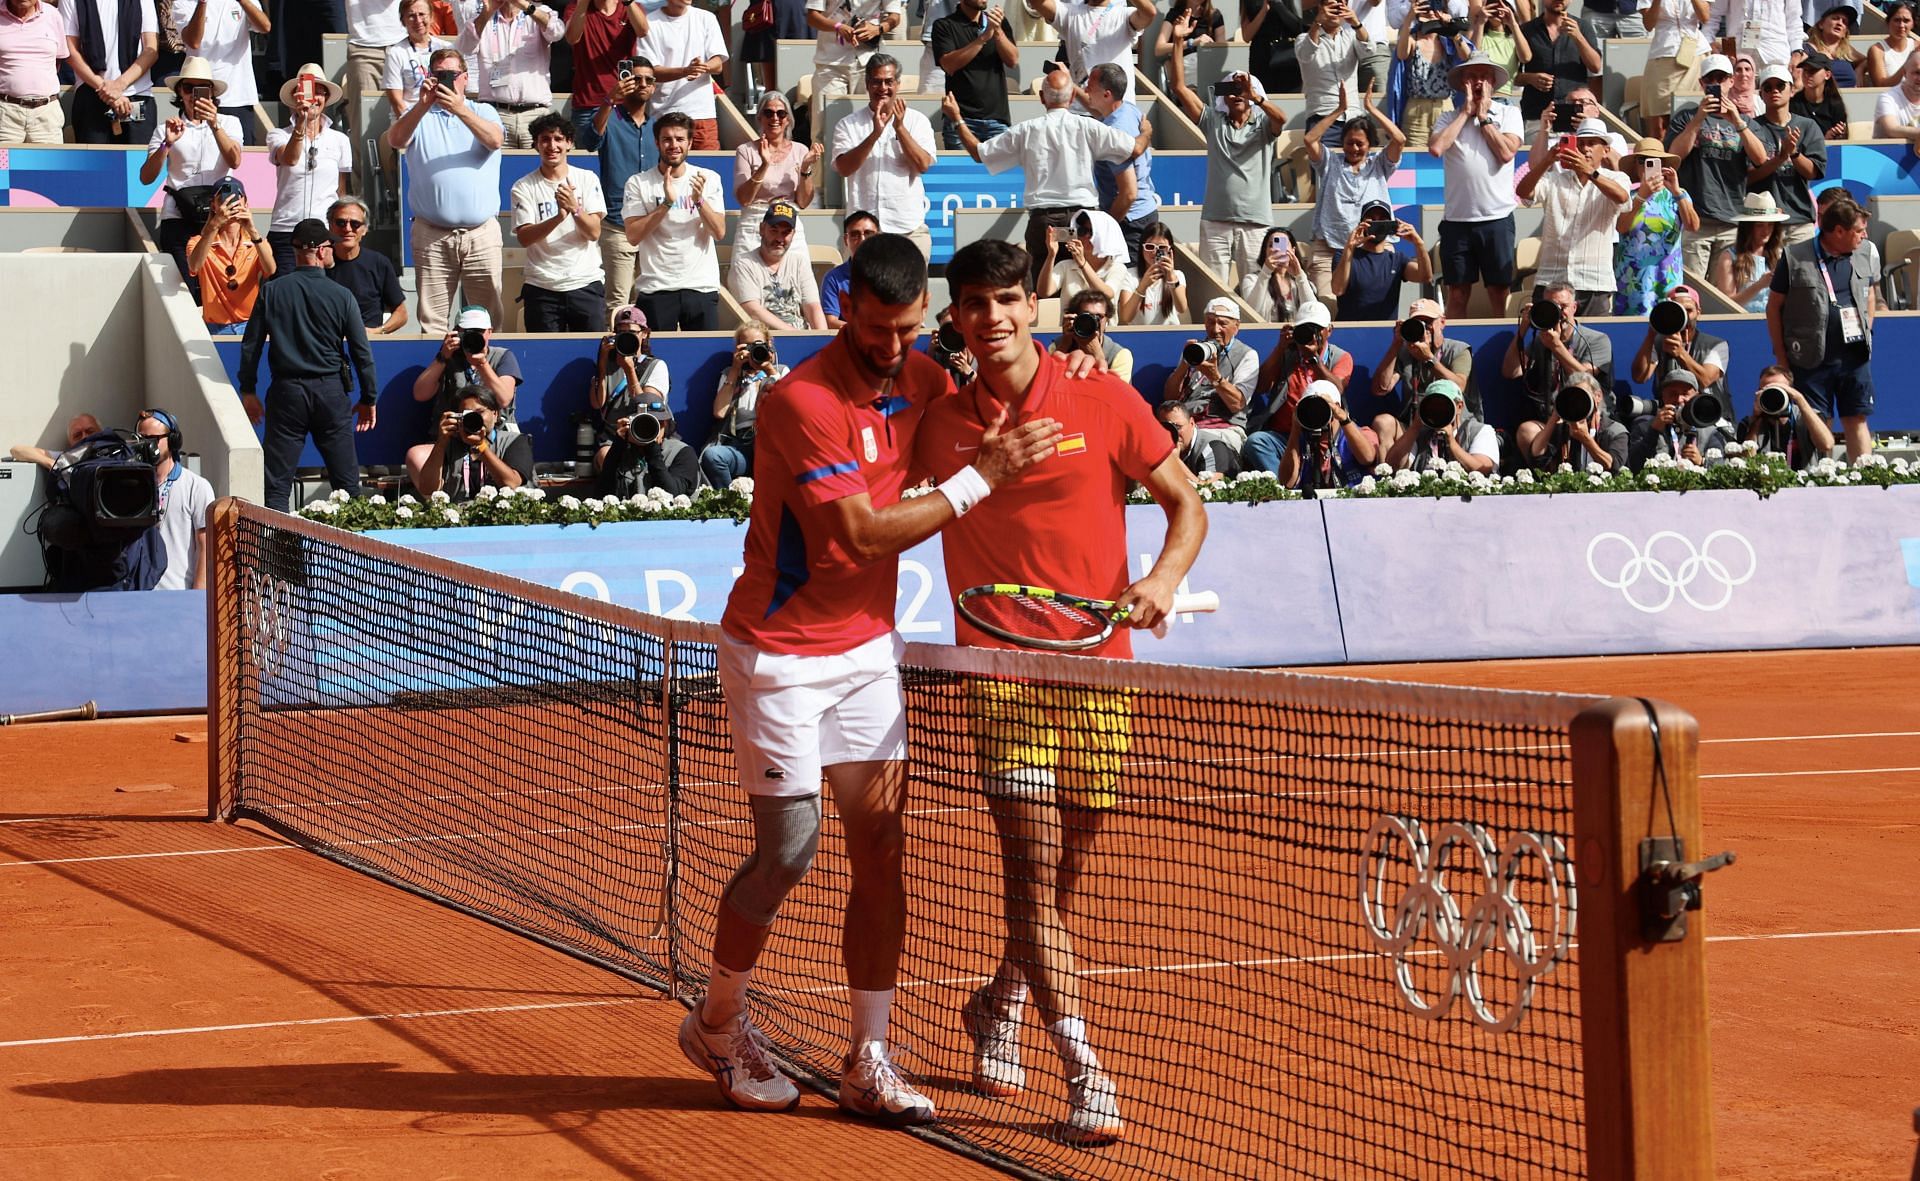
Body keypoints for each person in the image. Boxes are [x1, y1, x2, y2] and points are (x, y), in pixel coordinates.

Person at [684, 232, 1062, 1127]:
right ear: (844, 301)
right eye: (879, 326)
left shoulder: (927, 380)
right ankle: (717, 1021)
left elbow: (999, 396)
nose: (895, 345)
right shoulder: (800, 400)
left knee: (882, 849)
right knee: (789, 852)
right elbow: (856, 534)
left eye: (910, 329)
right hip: (777, 654)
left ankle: (869, 1057)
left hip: (864, 653)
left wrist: (1065, 365)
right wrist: (980, 480)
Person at [917, 236, 1205, 1149]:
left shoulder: (1104, 395)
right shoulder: (937, 419)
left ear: (1031, 305)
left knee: (1067, 871)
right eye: (974, 304)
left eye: (1007, 300)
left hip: (1099, 668)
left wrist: (1160, 579)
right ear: (955, 317)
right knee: (1034, 876)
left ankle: (996, 998)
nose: (993, 318)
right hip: (1003, 678)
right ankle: (1084, 1066)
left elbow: (1187, 503)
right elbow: (878, 496)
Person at [946, 65, 1138, 289]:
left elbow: (979, 154)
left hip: (1044, 221)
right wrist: (1146, 132)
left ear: (1041, 97)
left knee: (1044, 288)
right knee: (1083, 287)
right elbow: (1133, 147)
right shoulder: (1088, 126)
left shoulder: (1026, 130)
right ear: (1073, 96)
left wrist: (957, 119)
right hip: (1083, 221)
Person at [238, 219, 378, 514]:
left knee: (277, 485)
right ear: (320, 250)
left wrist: (248, 390)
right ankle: (352, 555)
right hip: (330, 391)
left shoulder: (272, 291)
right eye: (329, 246)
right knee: (347, 486)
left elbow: (251, 345)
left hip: (287, 393)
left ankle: (274, 554)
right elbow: (361, 353)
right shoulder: (342, 295)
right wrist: (368, 398)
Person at [387, 48, 506, 336]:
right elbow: (395, 139)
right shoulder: (417, 115)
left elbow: (495, 140)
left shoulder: (483, 110)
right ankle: (440, 378)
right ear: (429, 77)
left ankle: (488, 377)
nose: (446, 80)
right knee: (433, 323)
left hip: (481, 234)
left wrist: (459, 109)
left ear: (465, 78)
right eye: (439, 74)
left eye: (451, 74)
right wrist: (422, 105)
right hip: (432, 234)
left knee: (487, 321)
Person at [1768, 193, 1877, 459]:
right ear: (1839, 230)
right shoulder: (1795, 256)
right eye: (1859, 231)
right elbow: (1774, 307)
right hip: (1810, 358)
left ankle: (1865, 482)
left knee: (1857, 418)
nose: (1864, 236)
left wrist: (1868, 329)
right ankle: (1821, 484)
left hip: (1855, 356)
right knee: (1817, 423)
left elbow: (1871, 292)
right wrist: (1782, 357)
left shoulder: (1865, 252)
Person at [1165, 61, 1289, 286]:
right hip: (1215, 221)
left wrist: (1256, 98)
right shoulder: (1214, 121)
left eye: (1241, 89)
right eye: (1230, 90)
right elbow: (1179, 87)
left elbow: (1281, 119)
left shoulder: (1263, 124)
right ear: (1223, 97)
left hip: (1256, 221)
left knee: (1256, 288)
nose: (1236, 94)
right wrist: (1180, 41)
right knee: (1214, 289)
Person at [1429, 52, 1524, 320]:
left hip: (1497, 218)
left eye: (1484, 76)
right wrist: (1466, 113)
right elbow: (1436, 148)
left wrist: (1484, 118)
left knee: (1498, 292)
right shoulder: (1448, 119)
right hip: (1456, 221)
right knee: (1457, 294)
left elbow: (1506, 153)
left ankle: (1500, 347)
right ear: (1462, 83)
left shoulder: (1509, 114)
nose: (1478, 82)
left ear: (1493, 82)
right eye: (1472, 76)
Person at [141, 57, 242, 304]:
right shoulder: (165, 129)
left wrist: (214, 124)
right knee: (185, 290)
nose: (194, 96)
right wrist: (167, 143)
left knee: (219, 289)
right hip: (179, 218)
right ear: (179, 92)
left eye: (202, 89)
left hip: (220, 217)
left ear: (212, 93)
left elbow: (235, 161)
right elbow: (146, 177)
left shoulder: (229, 123)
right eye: (188, 88)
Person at [1516, 117, 1632, 316]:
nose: (1585, 149)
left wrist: (1589, 171)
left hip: (1593, 281)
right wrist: (1547, 161)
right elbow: (1523, 191)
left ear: (1605, 150)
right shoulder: (1554, 179)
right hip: (1552, 281)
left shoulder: (1617, 178)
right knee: (1546, 340)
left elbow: (1621, 197)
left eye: (1592, 143)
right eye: (1580, 144)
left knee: (1592, 342)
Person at [623, 112, 725, 330]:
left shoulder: (708, 178)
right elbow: (633, 236)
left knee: (701, 361)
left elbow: (719, 232)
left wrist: (699, 202)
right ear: (657, 143)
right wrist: (666, 204)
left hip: (700, 286)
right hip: (656, 288)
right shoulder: (638, 183)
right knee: (656, 360)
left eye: (679, 139)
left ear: (689, 143)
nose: (673, 145)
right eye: (667, 139)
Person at [1667, 53, 1765, 280]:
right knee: (1695, 288)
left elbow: (1760, 158)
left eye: (1721, 78)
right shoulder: (1686, 117)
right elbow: (1673, 156)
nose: (1716, 84)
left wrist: (1737, 121)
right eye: (1711, 80)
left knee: (1726, 292)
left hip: (1732, 219)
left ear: (1731, 81)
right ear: (1702, 83)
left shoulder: (1746, 122)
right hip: (1696, 220)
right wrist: (1698, 119)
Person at [1301, 83, 1404, 296]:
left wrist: (1372, 109)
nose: (1354, 148)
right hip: (1330, 248)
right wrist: (1339, 110)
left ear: (1370, 144)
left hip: (1374, 249)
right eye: (1349, 143)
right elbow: (1309, 139)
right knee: (1327, 308)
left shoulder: (1379, 164)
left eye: (1360, 143)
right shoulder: (1330, 162)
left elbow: (1400, 139)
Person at [510, 112, 609, 332]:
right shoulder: (523, 186)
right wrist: (558, 217)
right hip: (542, 287)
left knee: (592, 356)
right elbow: (525, 238)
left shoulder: (587, 178)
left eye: (558, 139)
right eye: (545, 139)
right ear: (536, 145)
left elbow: (594, 232)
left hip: (585, 283)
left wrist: (575, 209)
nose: (552, 146)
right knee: (543, 358)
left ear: (569, 143)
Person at [831, 55, 937, 257]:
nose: (883, 88)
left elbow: (923, 165)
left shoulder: (917, 121)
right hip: (864, 233)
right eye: (877, 82)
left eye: (888, 82)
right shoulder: (847, 124)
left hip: (908, 228)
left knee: (911, 290)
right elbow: (844, 168)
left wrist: (900, 128)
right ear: (867, 84)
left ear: (898, 84)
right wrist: (874, 135)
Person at [407, 305, 522, 487]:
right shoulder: (449, 357)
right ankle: (441, 510)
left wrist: (482, 364)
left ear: (489, 332)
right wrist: (443, 357)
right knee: (415, 455)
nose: (473, 336)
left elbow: (504, 399)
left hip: (494, 438)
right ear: (456, 332)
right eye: (467, 331)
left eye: (479, 331)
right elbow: (420, 394)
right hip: (453, 440)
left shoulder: (503, 357)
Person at [1503, 280, 1613, 454]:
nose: (1559, 312)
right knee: (1526, 431)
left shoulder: (1597, 340)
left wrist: (1557, 347)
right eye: (1552, 306)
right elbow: (1510, 372)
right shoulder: (1541, 340)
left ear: (1574, 308)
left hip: (1588, 417)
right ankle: (1545, 477)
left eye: (1563, 306)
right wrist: (1523, 329)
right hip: (1550, 418)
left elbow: (1585, 378)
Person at [1241, 300, 1351, 469]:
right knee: (1256, 442)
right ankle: (1284, 488)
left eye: (1316, 328)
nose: (1311, 335)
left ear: (1329, 330)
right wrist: (1280, 348)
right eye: (1304, 329)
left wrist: (1315, 361)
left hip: (1324, 436)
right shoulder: (1287, 354)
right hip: (1285, 435)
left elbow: (1338, 388)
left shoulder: (1341, 357)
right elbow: (1261, 386)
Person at [266, 65, 353, 278]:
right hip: (287, 229)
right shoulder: (278, 135)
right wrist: (301, 125)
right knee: (287, 296)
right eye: (308, 90)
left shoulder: (340, 140)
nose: (313, 98)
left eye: (319, 91)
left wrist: (341, 231)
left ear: (326, 98)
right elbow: (289, 158)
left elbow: (341, 190)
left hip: (323, 231)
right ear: (297, 96)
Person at [595, 55, 657, 323]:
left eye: (648, 80)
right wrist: (610, 100)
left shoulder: (659, 127)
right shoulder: (611, 119)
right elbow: (589, 138)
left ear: (654, 87)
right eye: (636, 78)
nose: (642, 84)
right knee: (617, 306)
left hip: (653, 228)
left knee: (653, 299)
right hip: (617, 225)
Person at [1369, 297, 1473, 451]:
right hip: (1413, 426)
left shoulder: (1458, 350)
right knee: (1383, 422)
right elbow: (1381, 388)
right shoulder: (1405, 352)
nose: (1424, 329)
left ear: (1442, 322)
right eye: (1419, 323)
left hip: (1451, 425)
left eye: (1428, 322)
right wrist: (1396, 345)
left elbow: (1459, 386)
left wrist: (1429, 359)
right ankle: (1387, 474)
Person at [455, 0, 563, 148]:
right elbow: (465, 47)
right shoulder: (482, 16)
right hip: (495, 113)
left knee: (536, 168)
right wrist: (486, 14)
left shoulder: (539, 11)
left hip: (535, 113)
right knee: (498, 168)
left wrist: (525, 6)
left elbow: (557, 32)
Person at [1084, 63, 1160, 271]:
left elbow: (1128, 194)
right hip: (1143, 214)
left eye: (1089, 86)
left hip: (1129, 222)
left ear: (1107, 95)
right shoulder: (1128, 110)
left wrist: (1106, 228)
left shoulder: (1114, 133)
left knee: (1129, 287)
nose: (1085, 90)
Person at [129, 408, 213, 591]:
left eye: (153, 439)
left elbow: (206, 547)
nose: (147, 446)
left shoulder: (196, 487)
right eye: (141, 439)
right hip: (138, 598)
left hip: (178, 598)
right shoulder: (130, 487)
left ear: (173, 441)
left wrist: (197, 598)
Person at [1745, 62, 1826, 249]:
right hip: (1763, 222)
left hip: (1799, 218)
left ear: (1791, 90)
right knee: (1767, 277)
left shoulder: (1808, 126)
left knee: (1803, 277)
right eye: (1768, 87)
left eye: (1780, 85)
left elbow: (1813, 172)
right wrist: (1780, 157)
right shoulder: (1751, 127)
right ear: (1761, 94)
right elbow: (1747, 177)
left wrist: (1794, 153)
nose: (1774, 90)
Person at [1163, 297, 1260, 450]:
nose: (1215, 330)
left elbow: (1237, 404)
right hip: (1187, 424)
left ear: (1236, 326)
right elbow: (1169, 397)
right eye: (1210, 322)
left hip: (1224, 427)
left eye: (1223, 323)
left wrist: (1214, 376)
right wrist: (1184, 365)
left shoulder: (1247, 355)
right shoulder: (1196, 350)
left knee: (1203, 442)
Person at [1613, 138, 1696, 314]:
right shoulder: (1627, 196)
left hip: (1667, 280)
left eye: (1655, 161)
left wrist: (1676, 191)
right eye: (1642, 160)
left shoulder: (1678, 196)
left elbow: (1692, 226)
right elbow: (1621, 227)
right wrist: (1641, 196)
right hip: (1632, 283)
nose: (1647, 166)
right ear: (1635, 165)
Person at [733, 90, 821, 256]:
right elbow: (744, 199)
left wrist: (805, 169)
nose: (775, 118)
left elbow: (803, 202)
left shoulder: (801, 150)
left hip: (788, 222)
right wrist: (764, 165)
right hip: (754, 221)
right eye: (769, 113)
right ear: (760, 117)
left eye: (781, 114)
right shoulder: (745, 151)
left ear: (788, 119)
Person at [702, 323, 787, 487]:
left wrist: (769, 369)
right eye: (747, 346)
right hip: (739, 444)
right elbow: (719, 412)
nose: (752, 351)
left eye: (758, 345)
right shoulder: (730, 373)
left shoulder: (780, 371)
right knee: (712, 456)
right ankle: (731, 502)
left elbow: (789, 404)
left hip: (768, 444)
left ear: (769, 345)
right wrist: (735, 370)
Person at [1252, 377, 1377, 487]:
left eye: (1322, 407)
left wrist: (1343, 418)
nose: (1316, 413)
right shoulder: (1301, 441)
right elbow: (1286, 482)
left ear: (1337, 406)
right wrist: (1295, 429)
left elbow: (1367, 458)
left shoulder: (1360, 433)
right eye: (1311, 409)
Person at [415, 386, 535, 500]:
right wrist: (441, 442)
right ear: (459, 417)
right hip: (459, 516)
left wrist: (481, 447)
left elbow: (512, 483)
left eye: (480, 412)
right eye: (468, 415)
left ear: (495, 414)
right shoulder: (449, 445)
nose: (474, 418)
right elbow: (427, 489)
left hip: (505, 516)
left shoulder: (516, 441)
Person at [65, 0, 159, 145]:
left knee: (139, 164)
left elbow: (151, 50)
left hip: (137, 96)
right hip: (91, 94)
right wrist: (105, 88)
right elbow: (70, 51)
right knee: (94, 164)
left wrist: (119, 85)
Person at [591, 304, 670, 474]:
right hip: (614, 438)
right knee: (605, 456)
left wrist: (629, 370)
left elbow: (647, 410)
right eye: (622, 332)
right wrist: (603, 364)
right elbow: (598, 403)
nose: (627, 336)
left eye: (632, 332)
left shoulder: (656, 366)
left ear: (644, 334)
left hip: (645, 437)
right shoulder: (609, 366)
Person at [175, 0, 269, 143]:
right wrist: (202, 3)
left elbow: (265, 27)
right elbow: (194, 41)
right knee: (199, 155)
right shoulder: (183, 3)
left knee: (239, 158)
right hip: (199, 97)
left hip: (237, 96)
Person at [637, 0, 726, 149]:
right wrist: (686, 71)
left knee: (707, 169)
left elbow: (718, 64)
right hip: (665, 115)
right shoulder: (649, 23)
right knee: (667, 171)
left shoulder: (707, 18)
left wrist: (702, 67)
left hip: (702, 115)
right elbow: (651, 72)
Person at [186, 182, 273, 333]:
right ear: (213, 205)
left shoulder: (257, 243)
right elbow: (194, 266)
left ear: (245, 202)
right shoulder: (197, 242)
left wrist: (252, 230)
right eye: (223, 200)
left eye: (236, 200)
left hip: (249, 326)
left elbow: (271, 270)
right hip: (215, 327)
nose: (230, 205)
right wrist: (214, 225)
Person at [728, 199, 827, 330]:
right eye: (774, 230)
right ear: (762, 229)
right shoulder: (744, 264)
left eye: (786, 232)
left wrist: (822, 339)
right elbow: (753, 311)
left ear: (793, 234)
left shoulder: (799, 262)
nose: (779, 239)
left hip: (801, 335)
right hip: (764, 340)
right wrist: (795, 336)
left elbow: (813, 306)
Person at [1034, 0, 1155, 107]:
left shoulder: (1125, 14)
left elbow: (1149, 13)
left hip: (1118, 110)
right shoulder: (1069, 13)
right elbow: (1038, 3)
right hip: (1081, 109)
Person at [562, 0, 648, 150]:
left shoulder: (628, 6)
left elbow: (643, 31)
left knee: (623, 159)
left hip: (623, 106)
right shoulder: (576, 6)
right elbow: (572, 38)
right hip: (587, 105)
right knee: (588, 162)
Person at [932, 0, 1016, 149]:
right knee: (962, 172)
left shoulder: (997, 23)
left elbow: (1012, 60)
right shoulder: (944, 25)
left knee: (1000, 172)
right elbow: (949, 65)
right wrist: (983, 38)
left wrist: (997, 31)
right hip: (961, 121)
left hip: (997, 120)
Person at [1329, 199, 1430, 321]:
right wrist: (1349, 248)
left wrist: (1418, 243)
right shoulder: (1344, 255)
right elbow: (1338, 289)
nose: (1377, 223)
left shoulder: (1397, 259)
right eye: (1371, 219)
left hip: (1385, 331)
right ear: (1362, 224)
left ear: (1390, 225)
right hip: (1350, 331)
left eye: (1382, 219)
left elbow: (1425, 277)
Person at [325, 197, 407, 334]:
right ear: (330, 226)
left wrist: (377, 331)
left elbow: (401, 313)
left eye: (355, 224)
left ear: (364, 230)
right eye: (340, 222)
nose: (348, 228)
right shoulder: (318, 263)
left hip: (369, 343)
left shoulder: (379, 263)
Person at [1395, 1, 1470, 150]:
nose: (1430, 12)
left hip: (1444, 107)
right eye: (1425, 8)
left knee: (1447, 155)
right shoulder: (1412, 39)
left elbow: (1467, 56)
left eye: (1434, 8)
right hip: (1417, 110)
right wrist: (1409, 17)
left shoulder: (1447, 40)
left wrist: (1453, 31)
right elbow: (1401, 54)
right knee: (1415, 158)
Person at [1521, 370, 1628, 472]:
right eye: (1572, 399)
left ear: (1598, 396)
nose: (1577, 403)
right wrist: (1554, 416)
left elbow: (1613, 466)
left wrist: (1585, 439)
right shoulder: (1563, 429)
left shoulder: (1615, 430)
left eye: (1582, 397)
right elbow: (1537, 457)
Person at [1515, 0, 1599, 130]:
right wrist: (1530, 78)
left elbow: (1595, 66)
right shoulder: (1527, 30)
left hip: (1574, 115)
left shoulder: (1583, 27)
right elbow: (1513, 77)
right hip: (1537, 114)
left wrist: (1578, 37)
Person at [1384, 377, 1498, 473]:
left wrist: (1451, 443)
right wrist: (1415, 427)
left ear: (1459, 407)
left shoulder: (1480, 431)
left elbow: (1482, 469)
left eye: (1443, 405)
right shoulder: (1419, 434)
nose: (1437, 410)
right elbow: (1392, 466)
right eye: (1432, 406)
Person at [1296, 0, 1367, 146]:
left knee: (1356, 169)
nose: (1335, 10)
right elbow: (1305, 54)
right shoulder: (1303, 38)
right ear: (1320, 7)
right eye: (1331, 4)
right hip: (1323, 117)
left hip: (1353, 117)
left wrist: (1356, 23)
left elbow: (1369, 51)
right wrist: (1318, 23)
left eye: (1340, 5)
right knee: (1324, 168)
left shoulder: (1351, 36)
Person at [596, 395, 698, 496]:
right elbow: (603, 494)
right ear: (630, 424)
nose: (647, 430)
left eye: (655, 424)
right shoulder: (623, 451)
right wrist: (618, 445)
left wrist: (653, 450)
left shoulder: (683, 452)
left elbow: (672, 494)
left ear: (665, 424)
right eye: (641, 424)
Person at [1736, 363, 1835, 468]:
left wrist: (1800, 399)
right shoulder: (1749, 423)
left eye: (1780, 390)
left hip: (1806, 481)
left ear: (1790, 392)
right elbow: (1747, 462)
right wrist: (1756, 420)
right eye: (1767, 390)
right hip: (1766, 482)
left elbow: (1826, 445)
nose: (1774, 395)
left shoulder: (1807, 417)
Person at [1627, 368, 1732, 466]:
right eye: (1672, 394)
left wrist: (1702, 461)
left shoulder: (1709, 431)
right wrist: (1654, 431)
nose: (1679, 399)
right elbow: (1634, 465)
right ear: (1663, 396)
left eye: (1685, 394)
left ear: (1696, 396)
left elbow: (1723, 467)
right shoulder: (1644, 426)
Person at [0, 0, 71, 144]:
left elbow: (58, 60)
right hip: (5, 115)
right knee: (3, 166)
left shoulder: (53, 15)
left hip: (46, 115)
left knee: (48, 165)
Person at [1038, 210, 1136, 307]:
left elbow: (1106, 294)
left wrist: (1082, 263)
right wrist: (1051, 255)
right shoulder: (1065, 266)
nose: (1086, 236)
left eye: (1092, 232)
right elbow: (1044, 292)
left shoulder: (1117, 267)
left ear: (1106, 235)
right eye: (1082, 231)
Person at [1641, 0, 1709, 140]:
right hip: (1662, 53)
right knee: (1659, 124)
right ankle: (1662, 158)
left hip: (1695, 53)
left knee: (1693, 116)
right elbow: (1648, 25)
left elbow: (1705, 17)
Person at [805, 0, 900, 99]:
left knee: (870, 113)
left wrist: (877, 29)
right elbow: (812, 17)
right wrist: (837, 27)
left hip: (869, 62)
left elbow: (895, 16)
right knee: (827, 113)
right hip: (831, 62)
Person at [1712, 190, 1787, 311]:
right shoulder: (1729, 257)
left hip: (1772, 321)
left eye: (1770, 225)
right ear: (1747, 227)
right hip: (1742, 323)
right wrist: (1759, 285)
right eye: (1759, 225)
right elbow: (1726, 305)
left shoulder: (1779, 255)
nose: (1766, 231)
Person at [1048, 288, 1134, 381]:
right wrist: (1064, 346)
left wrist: (1098, 354)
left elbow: (1117, 392)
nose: (1092, 321)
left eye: (1099, 317)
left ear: (1107, 320)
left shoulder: (1120, 355)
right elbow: (1047, 381)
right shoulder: (1056, 346)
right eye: (1086, 316)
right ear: (1075, 318)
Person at [1236, 226, 1318, 322]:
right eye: (1271, 245)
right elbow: (1253, 313)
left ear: (1293, 250)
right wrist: (1265, 272)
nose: (1277, 249)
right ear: (1265, 251)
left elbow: (1313, 313)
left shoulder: (1304, 282)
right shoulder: (1252, 280)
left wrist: (1300, 277)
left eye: (1283, 245)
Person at [383, 0, 449, 118]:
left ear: (432, 17)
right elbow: (396, 101)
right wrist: (412, 126)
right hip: (410, 118)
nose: (418, 21)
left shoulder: (446, 49)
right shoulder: (395, 53)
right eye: (411, 16)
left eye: (422, 14)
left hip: (441, 117)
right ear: (403, 21)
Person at [1155, 400, 1243, 482]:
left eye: (1177, 427)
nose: (1172, 433)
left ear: (1192, 423)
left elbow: (1208, 488)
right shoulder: (1158, 448)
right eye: (1165, 428)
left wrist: (1175, 460)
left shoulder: (1212, 447)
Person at [1119, 221, 1188, 325]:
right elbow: (1126, 317)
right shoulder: (1129, 275)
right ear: (1142, 249)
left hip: (1169, 334)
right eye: (1150, 247)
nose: (1155, 252)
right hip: (1139, 335)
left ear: (1170, 250)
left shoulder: (1177, 275)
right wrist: (1143, 286)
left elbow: (1182, 308)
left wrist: (1171, 278)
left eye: (1162, 248)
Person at [821, 209, 880, 329]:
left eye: (868, 233)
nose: (862, 240)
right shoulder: (834, 278)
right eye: (855, 234)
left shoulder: (893, 274)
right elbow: (831, 322)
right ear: (845, 240)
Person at [1155, 0, 1226, 92]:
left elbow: (1222, 49)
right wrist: (1191, 43)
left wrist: (1210, 46)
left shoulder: (1215, 15)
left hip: (1209, 63)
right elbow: (1159, 49)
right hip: (1186, 63)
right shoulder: (1175, 14)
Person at [1242, 0, 1309, 95]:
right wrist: (1264, 10)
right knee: (1263, 98)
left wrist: (1278, 4)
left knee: (1290, 100)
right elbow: (1246, 36)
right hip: (1261, 57)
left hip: (1288, 57)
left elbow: (1300, 28)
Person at [1801, 3, 1863, 87]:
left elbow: (1866, 60)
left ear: (1845, 33)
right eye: (1835, 18)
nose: (1840, 23)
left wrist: (1859, 71)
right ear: (1821, 24)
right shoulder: (1807, 49)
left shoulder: (1847, 51)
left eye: (1844, 22)